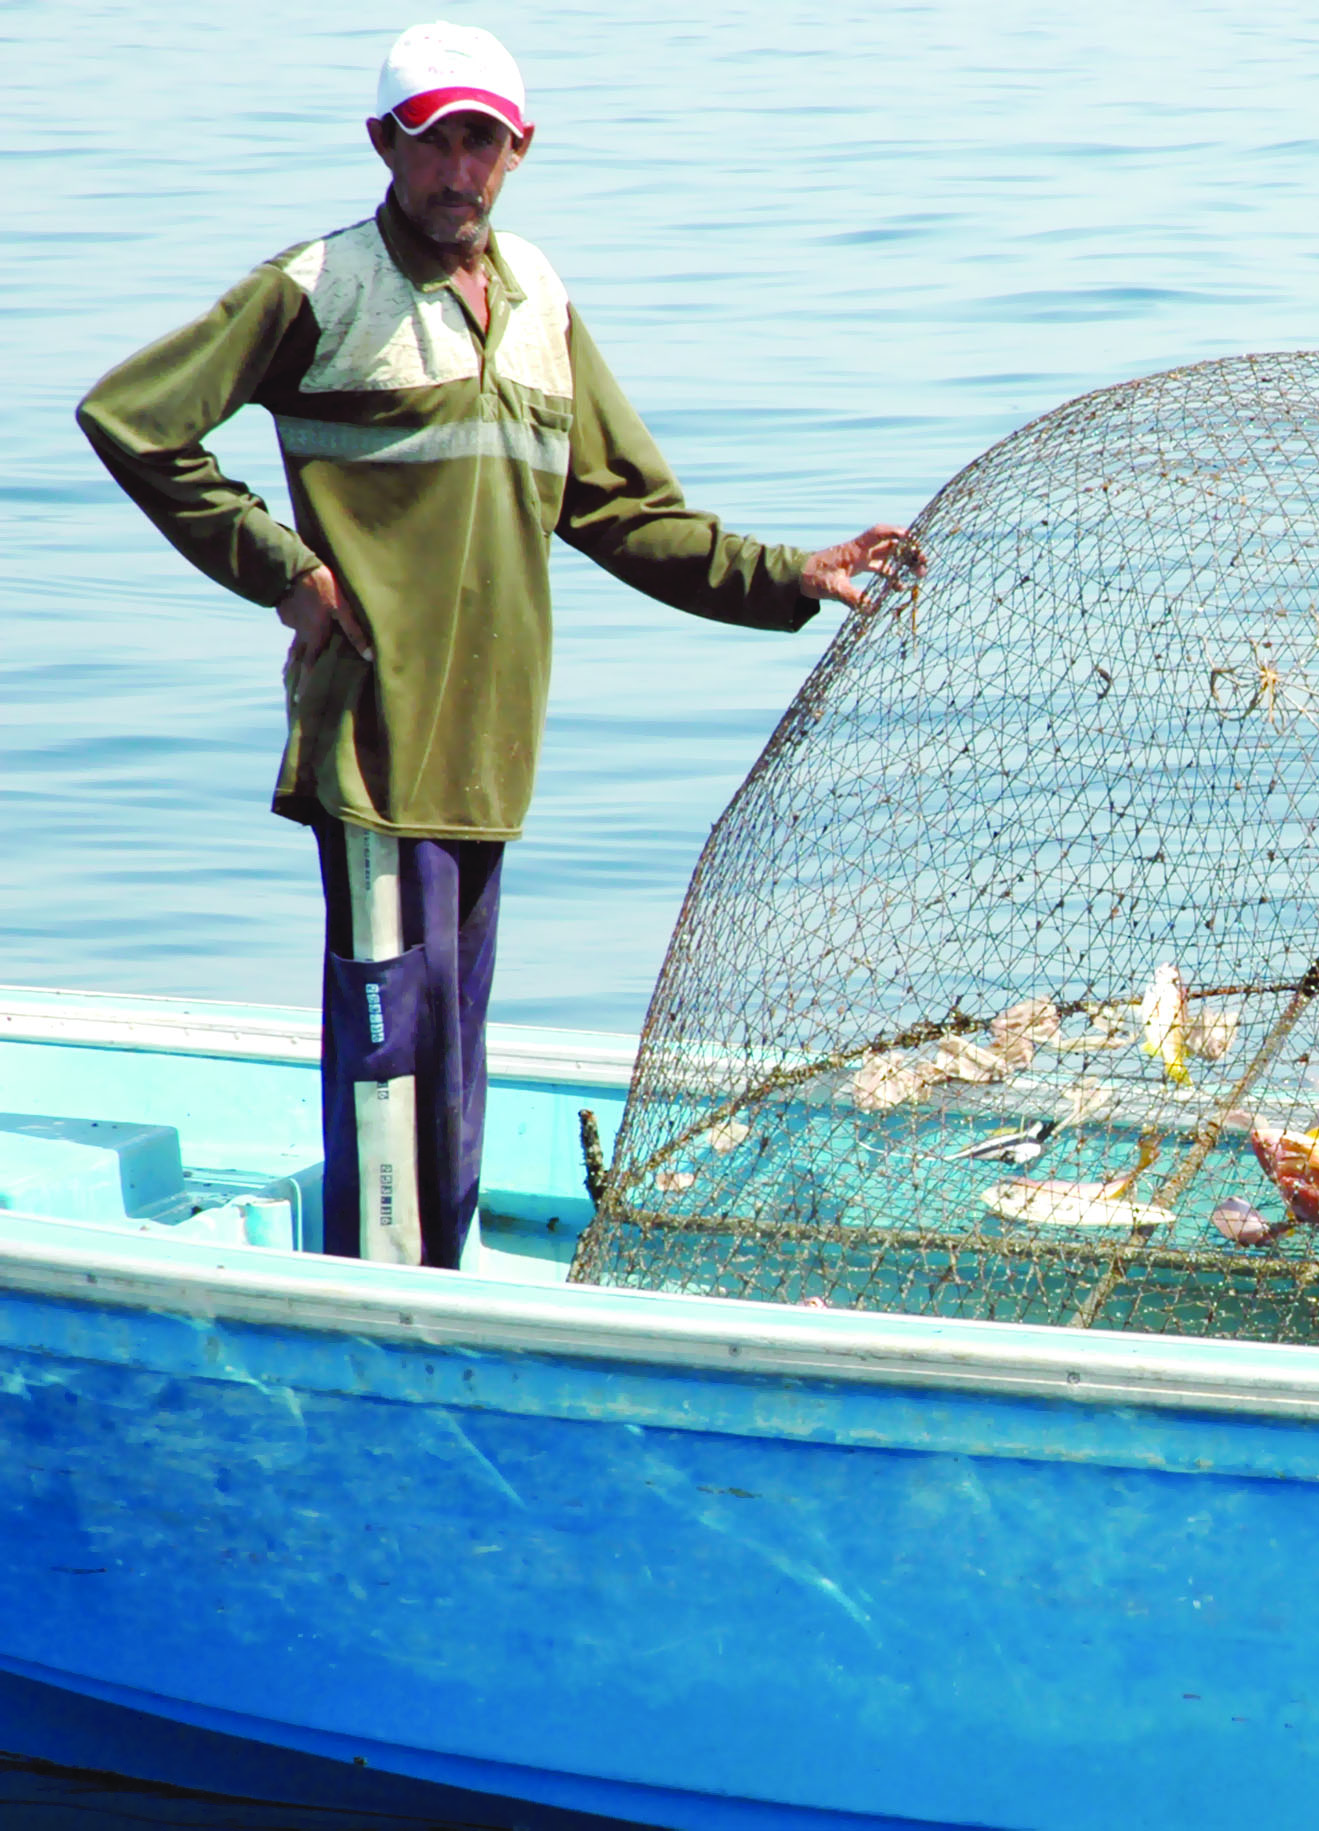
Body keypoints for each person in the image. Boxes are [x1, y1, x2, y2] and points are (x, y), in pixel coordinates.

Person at [75, 22, 909, 1270]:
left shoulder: (539, 303)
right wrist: (285, 573)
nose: (460, 171)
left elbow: (628, 515)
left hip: (488, 756)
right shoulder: (317, 289)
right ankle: (381, 1309)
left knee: (455, 1059)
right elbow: (132, 420)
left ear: (521, 151)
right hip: (375, 745)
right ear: (385, 145)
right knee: (391, 1054)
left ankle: (448, 1288)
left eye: (485, 142)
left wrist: (788, 575)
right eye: (436, 140)